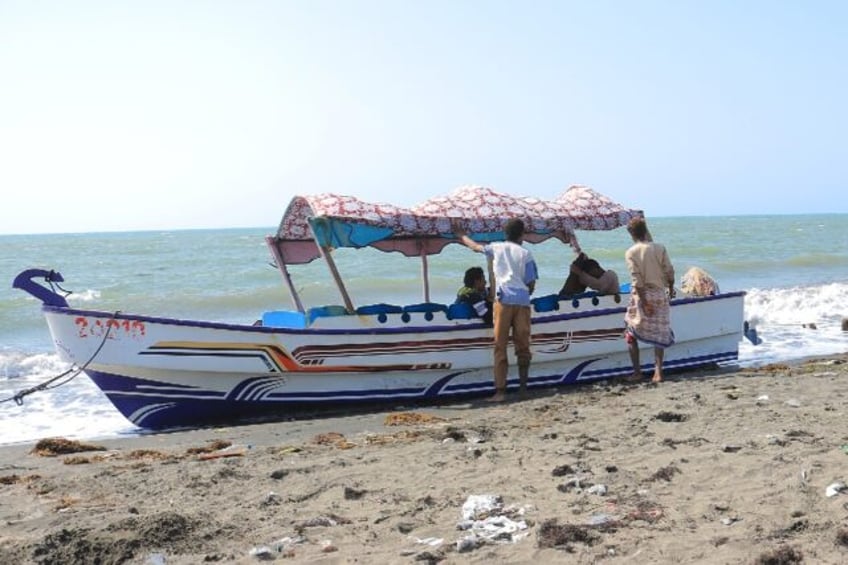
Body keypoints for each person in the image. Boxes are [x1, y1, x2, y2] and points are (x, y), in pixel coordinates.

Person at [453, 218, 538, 401]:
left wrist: (461, 235)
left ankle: (500, 391)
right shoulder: (526, 254)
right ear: (522, 235)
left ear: (505, 234)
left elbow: (475, 247)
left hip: (503, 301)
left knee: (500, 346)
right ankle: (523, 388)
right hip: (522, 302)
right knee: (523, 346)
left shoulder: (496, 247)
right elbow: (531, 284)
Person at [623, 217, 675, 383]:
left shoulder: (631, 252)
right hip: (659, 294)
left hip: (642, 296)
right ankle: (658, 373)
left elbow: (637, 281)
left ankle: (637, 371)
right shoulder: (660, 248)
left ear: (631, 233)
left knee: (630, 331)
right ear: (645, 230)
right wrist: (671, 288)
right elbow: (669, 271)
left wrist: (644, 302)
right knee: (660, 333)